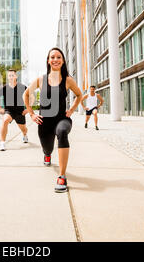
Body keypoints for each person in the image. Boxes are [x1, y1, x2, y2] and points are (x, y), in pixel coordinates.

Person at [24, 47, 83, 193]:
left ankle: (62, 176)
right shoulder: (40, 80)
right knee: (47, 148)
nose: (55, 60)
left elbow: (79, 95)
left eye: (58, 57)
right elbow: (25, 95)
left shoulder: (68, 80)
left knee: (62, 132)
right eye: (53, 57)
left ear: (63, 61)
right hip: (44, 122)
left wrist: (72, 109)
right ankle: (47, 154)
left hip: (62, 119)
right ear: (48, 61)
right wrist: (31, 114)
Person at [0, 69, 33, 151]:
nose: (11, 77)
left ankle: (25, 135)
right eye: (9, 75)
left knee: (24, 129)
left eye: (12, 75)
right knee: (5, 121)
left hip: (20, 112)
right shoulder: (5, 88)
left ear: (16, 76)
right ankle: (2, 143)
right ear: (8, 77)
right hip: (9, 111)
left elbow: (32, 97)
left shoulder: (22, 87)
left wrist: (28, 109)